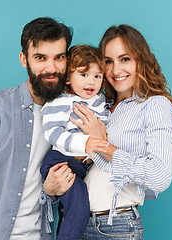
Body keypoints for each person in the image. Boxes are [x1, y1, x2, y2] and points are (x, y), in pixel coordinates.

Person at [0, 17, 76, 240]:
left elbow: (50, 187)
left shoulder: (69, 114)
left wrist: (52, 192)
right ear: (24, 59)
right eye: (40, 57)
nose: (51, 67)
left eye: (59, 57)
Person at [70, 24, 172, 239]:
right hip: (77, 222)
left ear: (141, 60)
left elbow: (159, 177)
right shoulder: (101, 106)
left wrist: (103, 144)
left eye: (125, 59)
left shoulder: (154, 105)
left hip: (115, 226)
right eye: (108, 61)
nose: (115, 70)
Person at [39, 45, 109, 240]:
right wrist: (85, 144)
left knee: (74, 209)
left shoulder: (100, 101)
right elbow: (53, 133)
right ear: (68, 78)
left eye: (97, 76)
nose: (91, 81)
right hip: (60, 160)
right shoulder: (59, 101)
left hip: (83, 166)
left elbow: (106, 129)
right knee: (79, 206)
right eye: (84, 74)